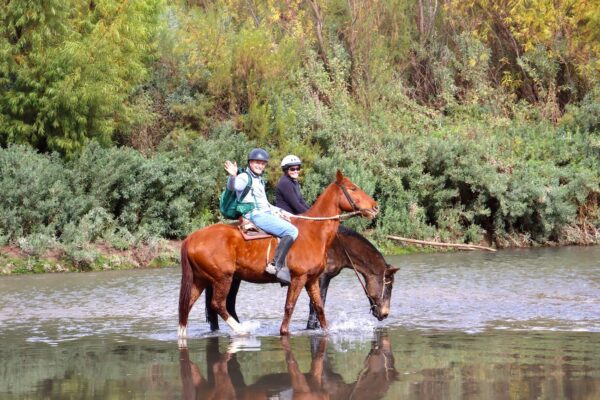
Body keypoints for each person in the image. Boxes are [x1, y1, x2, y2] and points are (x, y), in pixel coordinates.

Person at [224, 148, 296, 286]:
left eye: (263, 163)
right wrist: (233, 176)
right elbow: (234, 187)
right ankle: (275, 265)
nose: (260, 165)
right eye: (257, 162)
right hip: (255, 215)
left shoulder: (259, 180)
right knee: (292, 231)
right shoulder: (245, 177)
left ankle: (285, 266)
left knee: (292, 224)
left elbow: (266, 204)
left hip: (264, 213)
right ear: (250, 163)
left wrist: (282, 212)